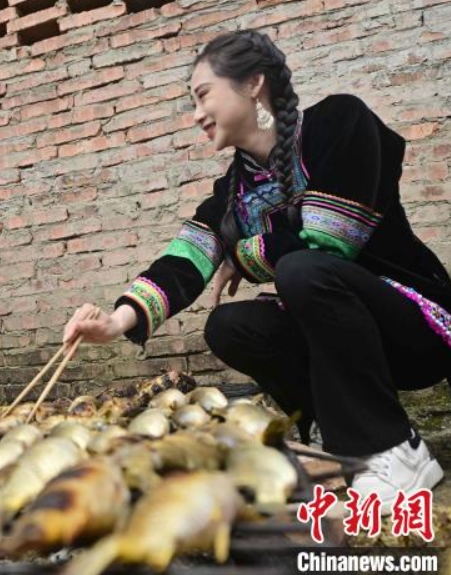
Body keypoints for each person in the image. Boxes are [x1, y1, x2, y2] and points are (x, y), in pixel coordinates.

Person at [63, 30, 447, 510]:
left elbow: (330, 236)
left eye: (203, 95)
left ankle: (395, 448)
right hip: (338, 343)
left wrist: (241, 255)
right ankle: (336, 442)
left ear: (252, 84)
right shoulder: (232, 192)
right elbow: (185, 258)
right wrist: (115, 321)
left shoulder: (339, 123)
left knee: (303, 270)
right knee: (229, 325)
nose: (196, 114)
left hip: (414, 327)